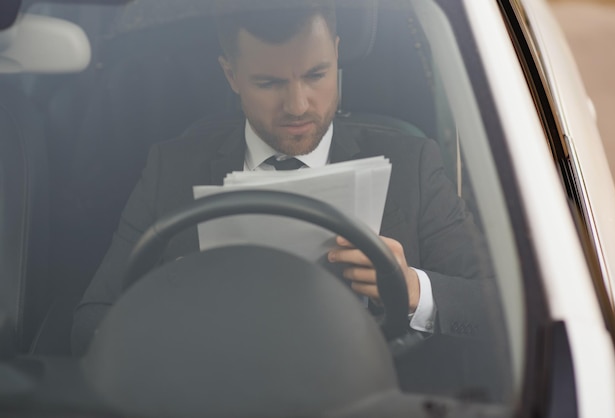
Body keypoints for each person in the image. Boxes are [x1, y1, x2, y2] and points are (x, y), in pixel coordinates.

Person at [71, 0, 493, 355]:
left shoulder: (412, 163)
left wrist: (413, 289)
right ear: (231, 76)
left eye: (316, 75)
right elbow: (88, 327)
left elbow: (496, 308)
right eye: (269, 82)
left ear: (338, 55)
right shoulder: (172, 169)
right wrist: (167, 300)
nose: (297, 105)